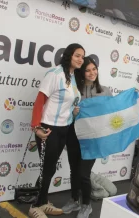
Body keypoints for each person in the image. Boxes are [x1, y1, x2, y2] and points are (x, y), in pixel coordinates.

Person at [29, 43, 85, 218]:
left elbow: (68, 101)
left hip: (64, 129)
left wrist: (73, 110)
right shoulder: (54, 74)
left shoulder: (73, 77)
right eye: (77, 55)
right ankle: (35, 206)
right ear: (69, 55)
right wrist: (36, 127)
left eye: (82, 57)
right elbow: (40, 101)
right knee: (47, 168)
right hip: (48, 129)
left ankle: (43, 202)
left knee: (51, 167)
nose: (80, 60)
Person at [61, 56, 112, 218]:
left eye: (94, 69)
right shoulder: (74, 90)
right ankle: (74, 200)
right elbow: (64, 111)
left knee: (83, 173)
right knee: (74, 171)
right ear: (82, 73)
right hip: (74, 135)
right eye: (87, 70)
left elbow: (111, 116)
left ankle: (86, 205)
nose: (92, 73)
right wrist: (72, 112)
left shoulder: (105, 91)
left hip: (93, 139)